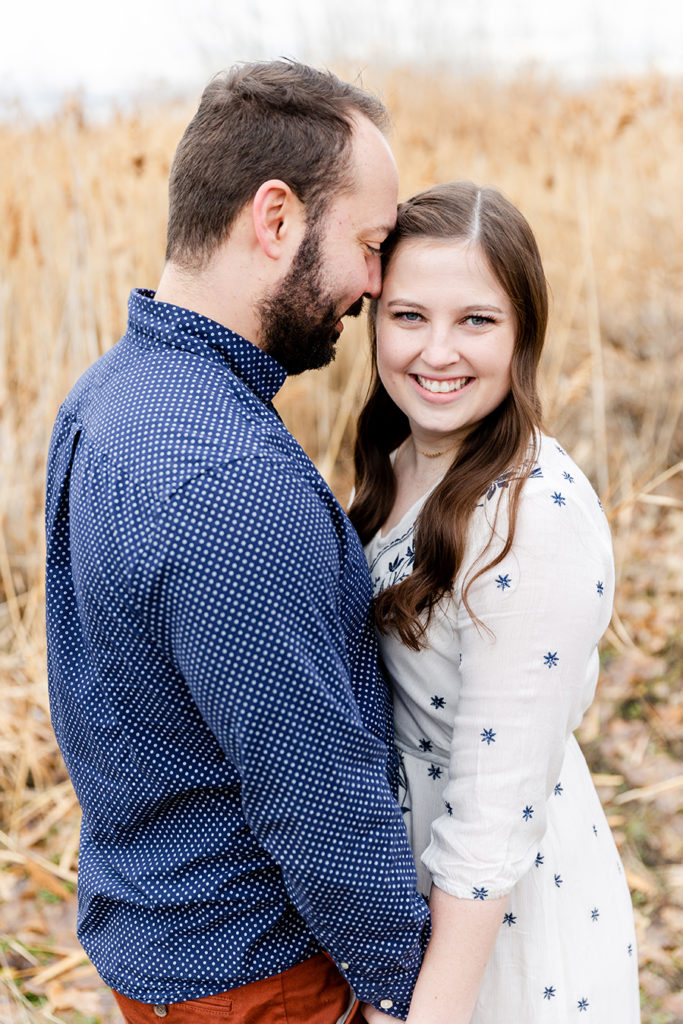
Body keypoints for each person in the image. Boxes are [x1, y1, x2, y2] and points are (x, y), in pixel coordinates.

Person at [45, 61, 430, 1024]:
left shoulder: (107, 394)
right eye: (372, 244)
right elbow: (316, 792)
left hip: (166, 948)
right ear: (274, 219)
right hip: (264, 984)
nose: (376, 287)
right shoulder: (226, 476)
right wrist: (396, 987)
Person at [349, 181, 640, 1023]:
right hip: (418, 892)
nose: (436, 351)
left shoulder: (531, 519)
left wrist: (423, 1010)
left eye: (475, 320)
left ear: (522, 334)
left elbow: (490, 823)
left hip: (498, 930)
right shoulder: (404, 457)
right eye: (408, 316)